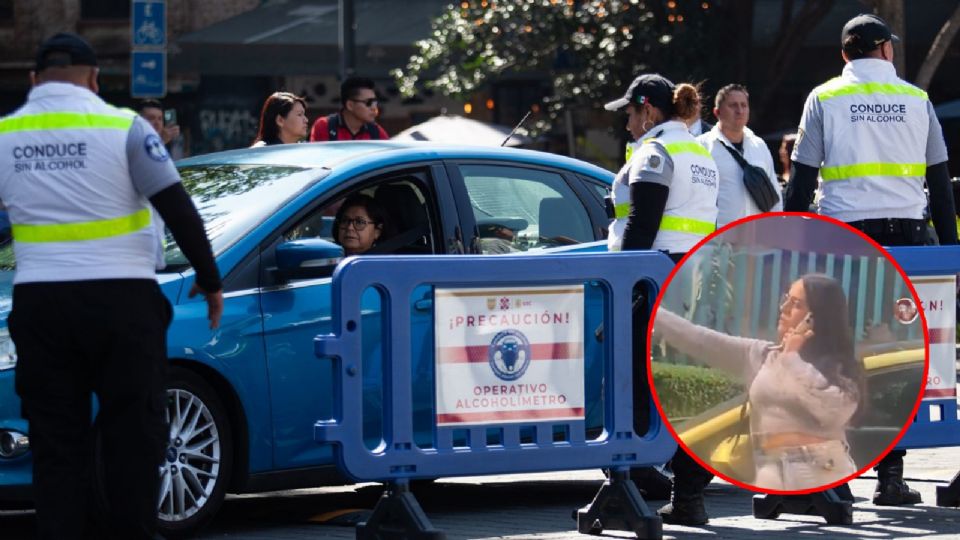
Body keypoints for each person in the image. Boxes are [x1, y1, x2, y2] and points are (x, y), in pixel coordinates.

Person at [0, 33, 223, 539]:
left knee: (57, 443)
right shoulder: (122, 127)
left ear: (34, 80)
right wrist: (210, 281)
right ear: (95, 79)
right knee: (133, 435)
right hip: (122, 302)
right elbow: (177, 207)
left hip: (41, 304)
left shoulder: (5, 135)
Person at [783, 13, 958, 505]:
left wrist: (790, 243)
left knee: (837, 353)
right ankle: (891, 479)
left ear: (845, 55)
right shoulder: (915, 99)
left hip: (844, 240)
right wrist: (950, 252)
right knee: (895, 353)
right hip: (908, 238)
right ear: (884, 51)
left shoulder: (825, 98)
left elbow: (800, 183)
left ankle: (835, 478)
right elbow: (941, 185)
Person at [603, 74, 719, 525]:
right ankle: (688, 497)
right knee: (684, 390)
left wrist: (621, 288)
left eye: (629, 114)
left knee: (632, 384)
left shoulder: (656, 151)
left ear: (647, 109)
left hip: (652, 282)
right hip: (692, 280)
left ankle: (625, 487)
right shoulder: (698, 150)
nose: (626, 124)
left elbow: (641, 227)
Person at [655, 274, 864, 491]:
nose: (783, 309)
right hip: (770, 465)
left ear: (816, 318)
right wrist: (653, 312)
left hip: (821, 466)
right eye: (786, 299)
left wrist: (792, 359)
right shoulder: (762, 355)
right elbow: (699, 339)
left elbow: (832, 412)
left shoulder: (837, 366)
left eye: (796, 304)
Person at [698, 84, 781, 228]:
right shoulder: (702, 146)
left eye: (744, 105)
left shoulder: (759, 145)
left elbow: (775, 198)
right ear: (717, 112)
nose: (740, 111)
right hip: (720, 242)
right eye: (733, 105)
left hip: (758, 242)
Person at [310, 77, 389, 141]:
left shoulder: (376, 132)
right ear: (350, 105)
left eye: (375, 102)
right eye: (368, 102)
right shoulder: (325, 126)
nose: (374, 108)